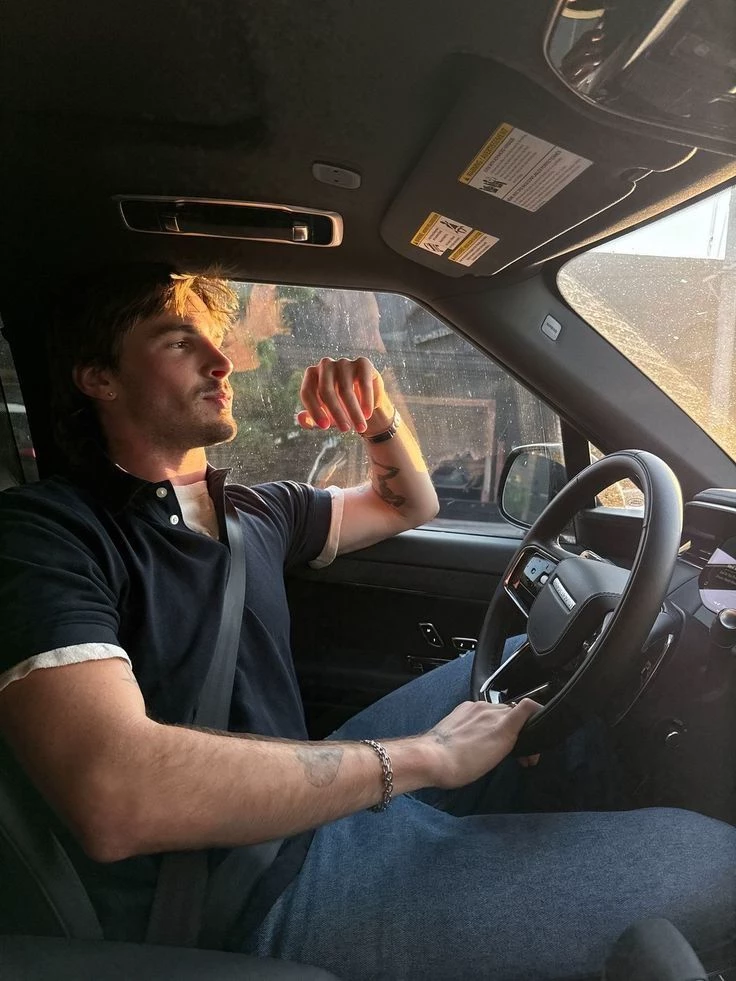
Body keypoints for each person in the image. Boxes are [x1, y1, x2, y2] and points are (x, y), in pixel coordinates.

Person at [0, 266, 733, 981]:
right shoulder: (46, 534)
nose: (221, 361)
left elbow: (408, 502)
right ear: (99, 377)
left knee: (531, 662)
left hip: (300, 799)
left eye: (215, 339)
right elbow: (117, 794)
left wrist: (378, 418)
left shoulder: (254, 511)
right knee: (719, 862)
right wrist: (425, 756)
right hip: (247, 892)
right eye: (177, 341)